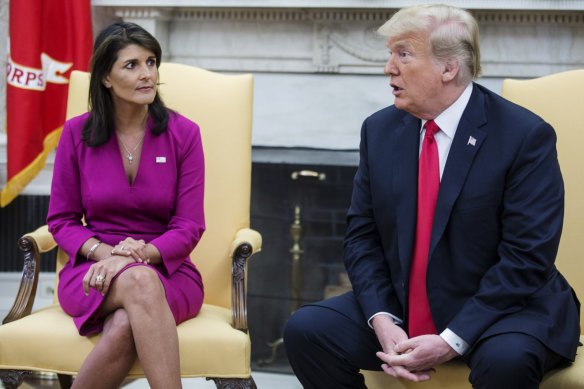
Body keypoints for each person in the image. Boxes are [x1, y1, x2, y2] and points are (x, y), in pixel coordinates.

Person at [284, 4, 580, 388]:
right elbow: (362, 237)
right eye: (390, 54)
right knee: (308, 331)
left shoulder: (523, 136)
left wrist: (450, 339)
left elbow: (526, 258)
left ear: (449, 68)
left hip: (503, 312)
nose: (389, 67)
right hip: (405, 306)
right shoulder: (380, 130)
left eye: (403, 54)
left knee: (507, 362)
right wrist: (382, 318)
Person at [47, 21, 205, 389]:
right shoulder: (76, 134)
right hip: (91, 272)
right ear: (105, 77)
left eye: (151, 62)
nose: (147, 74)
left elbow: (189, 226)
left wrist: (139, 256)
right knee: (137, 282)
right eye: (132, 65)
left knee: (125, 317)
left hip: (170, 271)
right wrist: (105, 254)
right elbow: (62, 220)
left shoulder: (185, 134)